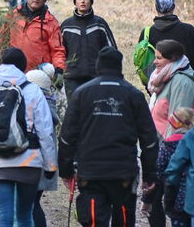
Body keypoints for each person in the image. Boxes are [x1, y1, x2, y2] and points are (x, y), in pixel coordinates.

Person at [59, 46, 159, 227]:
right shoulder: (134, 95)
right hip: (123, 174)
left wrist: (65, 170)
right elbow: (149, 140)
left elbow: (67, 136)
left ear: (98, 67)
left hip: (91, 173)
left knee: (94, 222)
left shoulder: (81, 94)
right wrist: (150, 175)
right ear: (119, 67)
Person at [0, 47, 58, 227]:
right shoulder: (33, 91)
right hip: (29, 163)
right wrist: (50, 164)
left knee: (4, 216)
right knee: (25, 216)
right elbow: (45, 130)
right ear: (23, 67)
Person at [138, 0, 194, 94]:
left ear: (156, 8)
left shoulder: (147, 34)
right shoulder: (189, 31)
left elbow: (141, 66)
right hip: (186, 89)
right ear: (173, 7)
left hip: (158, 91)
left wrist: (150, 89)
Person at [141, 107, 194, 227]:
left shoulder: (169, 144)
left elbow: (158, 171)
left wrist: (147, 199)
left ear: (175, 123)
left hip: (177, 200)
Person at [61, 0, 117, 102]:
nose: (82, 1)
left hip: (96, 77)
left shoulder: (100, 24)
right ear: (75, 2)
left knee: (94, 111)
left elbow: (112, 50)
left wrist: (112, 72)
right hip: (72, 78)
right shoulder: (66, 26)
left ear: (91, 2)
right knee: (75, 112)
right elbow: (60, 51)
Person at [4, 0, 66, 75]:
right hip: (13, 71)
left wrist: (59, 69)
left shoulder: (51, 22)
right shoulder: (13, 15)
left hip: (38, 74)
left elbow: (58, 50)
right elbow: (2, 37)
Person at [25, 69, 60, 227]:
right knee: (33, 203)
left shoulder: (36, 108)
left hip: (35, 162)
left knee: (30, 205)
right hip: (45, 164)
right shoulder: (50, 104)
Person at [148, 39, 194, 140]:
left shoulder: (182, 83)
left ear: (172, 59)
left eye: (159, 58)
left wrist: (169, 148)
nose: (155, 62)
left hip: (169, 147)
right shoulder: (164, 78)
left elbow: (180, 123)